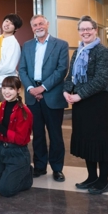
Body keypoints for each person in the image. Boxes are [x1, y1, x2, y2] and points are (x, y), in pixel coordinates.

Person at [63, 16, 108, 195]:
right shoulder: (77, 51)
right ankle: (92, 177)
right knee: (86, 139)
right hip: (82, 102)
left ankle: (103, 181)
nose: (85, 32)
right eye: (82, 29)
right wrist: (66, 91)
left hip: (99, 102)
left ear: (95, 30)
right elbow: (71, 75)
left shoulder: (103, 52)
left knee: (101, 140)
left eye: (88, 29)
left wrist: (79, 95)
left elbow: (102, 79)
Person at [18, 14, 69, 182]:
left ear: (47, 25)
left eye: (41, 23)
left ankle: (57, 168)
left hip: (52, 95)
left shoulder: (61, 44)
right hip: (32, 96)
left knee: (55, 134)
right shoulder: (27, 45)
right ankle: (40, 166)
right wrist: (31, 88)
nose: (38, 27)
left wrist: (43, 87)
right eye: (35, 25)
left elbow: (62, 70)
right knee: (37, 134)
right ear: (32, 28)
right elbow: (22, 69)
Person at [0, 76, 33, 197]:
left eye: (11, 89)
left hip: (17, 153)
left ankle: (27, 174)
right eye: (4, 88)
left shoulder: (24, 111)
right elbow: (0, 132)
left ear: (18, 90)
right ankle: (9, 174)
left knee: (5, 190)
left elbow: (20, 139)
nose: (6, 92)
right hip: (1, 150)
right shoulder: (2, 106)